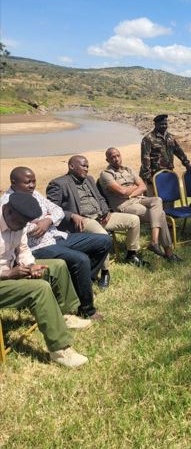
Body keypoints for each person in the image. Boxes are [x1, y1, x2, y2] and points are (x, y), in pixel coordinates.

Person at [1, 167, 111, 319]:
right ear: (14, 182)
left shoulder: (34, 194)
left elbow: (58, 210)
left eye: (34, 181)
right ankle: (86, 309)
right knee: (80, 259)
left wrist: (47, 219)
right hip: (39, 246)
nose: (32, 185)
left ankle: (83, 283)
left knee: (104, 241)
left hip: (58, 236)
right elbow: (21, 228)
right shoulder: (8, 204)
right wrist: (39, 222)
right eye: (28, 182)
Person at [0, 192, 89, 367]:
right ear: (7, 211)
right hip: (3, 276)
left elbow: (23, 248)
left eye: (24, 224)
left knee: (57, 266)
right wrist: (8, 274)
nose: (21, 228)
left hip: (11, 269)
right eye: (19, 223)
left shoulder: (19, 222)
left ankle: (65, 315)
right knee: (39, 289)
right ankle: (60, 349)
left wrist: (30, 265)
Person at [46, 155, 145, 287]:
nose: (86, 169)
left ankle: (131, 253)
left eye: (87, 166)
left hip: (101, 217)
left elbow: (101, 198)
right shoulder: (59, 183)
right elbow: (52, 209)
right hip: (83, 220)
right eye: (83, 166)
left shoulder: (90, 179)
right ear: (71, 166)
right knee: (103, 237)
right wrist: (72, 216)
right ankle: (105, 272)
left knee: (134, 220)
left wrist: (106, 211)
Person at [99, 147, 182, 263]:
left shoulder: (128, 169)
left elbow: (142, 186)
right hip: (124, 205)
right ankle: (167, 252)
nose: (116, 159)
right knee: (161, 214)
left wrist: (131, 193)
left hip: (137, 198)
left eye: (118, 155)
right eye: (112, 157)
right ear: (107, 160)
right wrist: (134, 188)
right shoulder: (106, 174)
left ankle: (154, 241)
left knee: (157, 200)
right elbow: (121, 192)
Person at [140, 114, 191, 195]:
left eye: (165, 124)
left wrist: (187, 164)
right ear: (155, 124)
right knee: (153, 201)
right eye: (162, 124)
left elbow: (178, 151)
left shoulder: (170, 137)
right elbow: (145, 158)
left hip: (168, 174)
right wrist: (148, 177)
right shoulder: (148, 139)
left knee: (169, 199)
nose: (164, 126)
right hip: (153, 176)